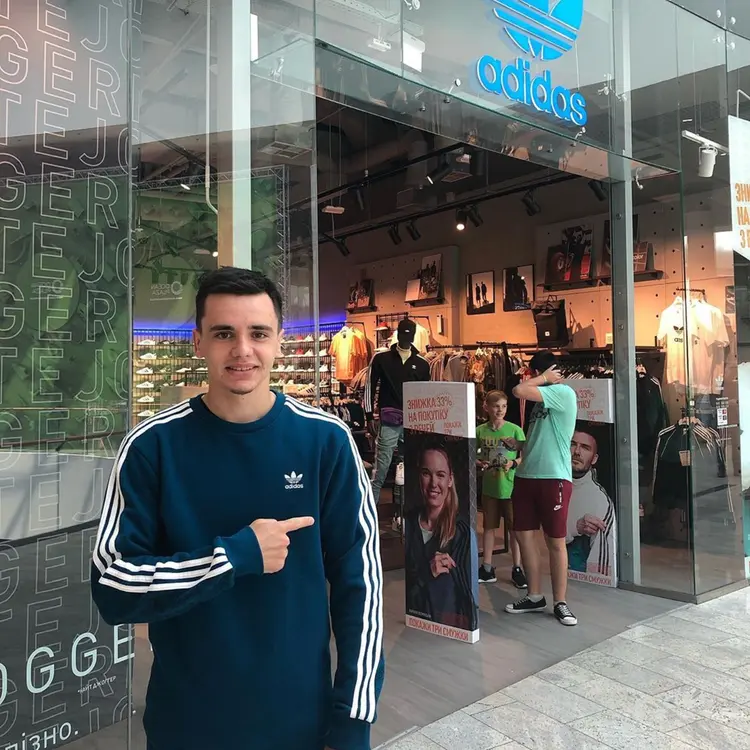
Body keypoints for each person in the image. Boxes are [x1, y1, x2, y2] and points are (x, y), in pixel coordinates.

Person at [91, 267, 384, 750]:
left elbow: (362, 588)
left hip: (299, 722)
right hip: (186, 725)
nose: (243, 350)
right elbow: (112, 587)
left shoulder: (325, 441)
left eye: (258, 333)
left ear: (279, 341)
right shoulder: (151, 446)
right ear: (198, 342)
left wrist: (353, 721)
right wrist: (233, 557)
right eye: (224, 333)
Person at [504, 351, 579, 626]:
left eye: (534, 372)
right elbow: (544, 436)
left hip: (553, 477)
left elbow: (518, 390)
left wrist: (544, 378)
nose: (531, 377)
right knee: (524, 537)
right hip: (526, 475)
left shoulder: (563, 393)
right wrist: (521, 445)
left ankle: (561, 601)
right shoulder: (541, 401)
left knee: (555, 541)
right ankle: (534, 595)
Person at [405, 442, 477, 632]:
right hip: (414, 630)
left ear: (450, 480)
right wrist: (427, 574)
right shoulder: (408, 524)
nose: (433, 483)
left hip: (448, 633)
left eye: (441, 475)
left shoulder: (462, 534)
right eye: (426, 473)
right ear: (418, 477)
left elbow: (466, 598)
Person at [476, 390, 527, 589]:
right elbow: (474, 453)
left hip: (511, 487)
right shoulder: (480, 431)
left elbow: (525, 455)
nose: (500, 410)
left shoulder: (515, 430)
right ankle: (487, 567)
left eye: (504, 406)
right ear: (487, 407)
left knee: (515, 529)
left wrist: (513, 463)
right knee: (489, 527)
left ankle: (517, 568)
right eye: (496, 406)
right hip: (490, 487)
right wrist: (479, 462)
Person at [568, 428, 616, 577]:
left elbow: (600, 571)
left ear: (594, 459)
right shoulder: (547, 483)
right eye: (572, 444)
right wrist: (575, 527)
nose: (577, 452)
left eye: (585, 448)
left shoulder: (599, 500)